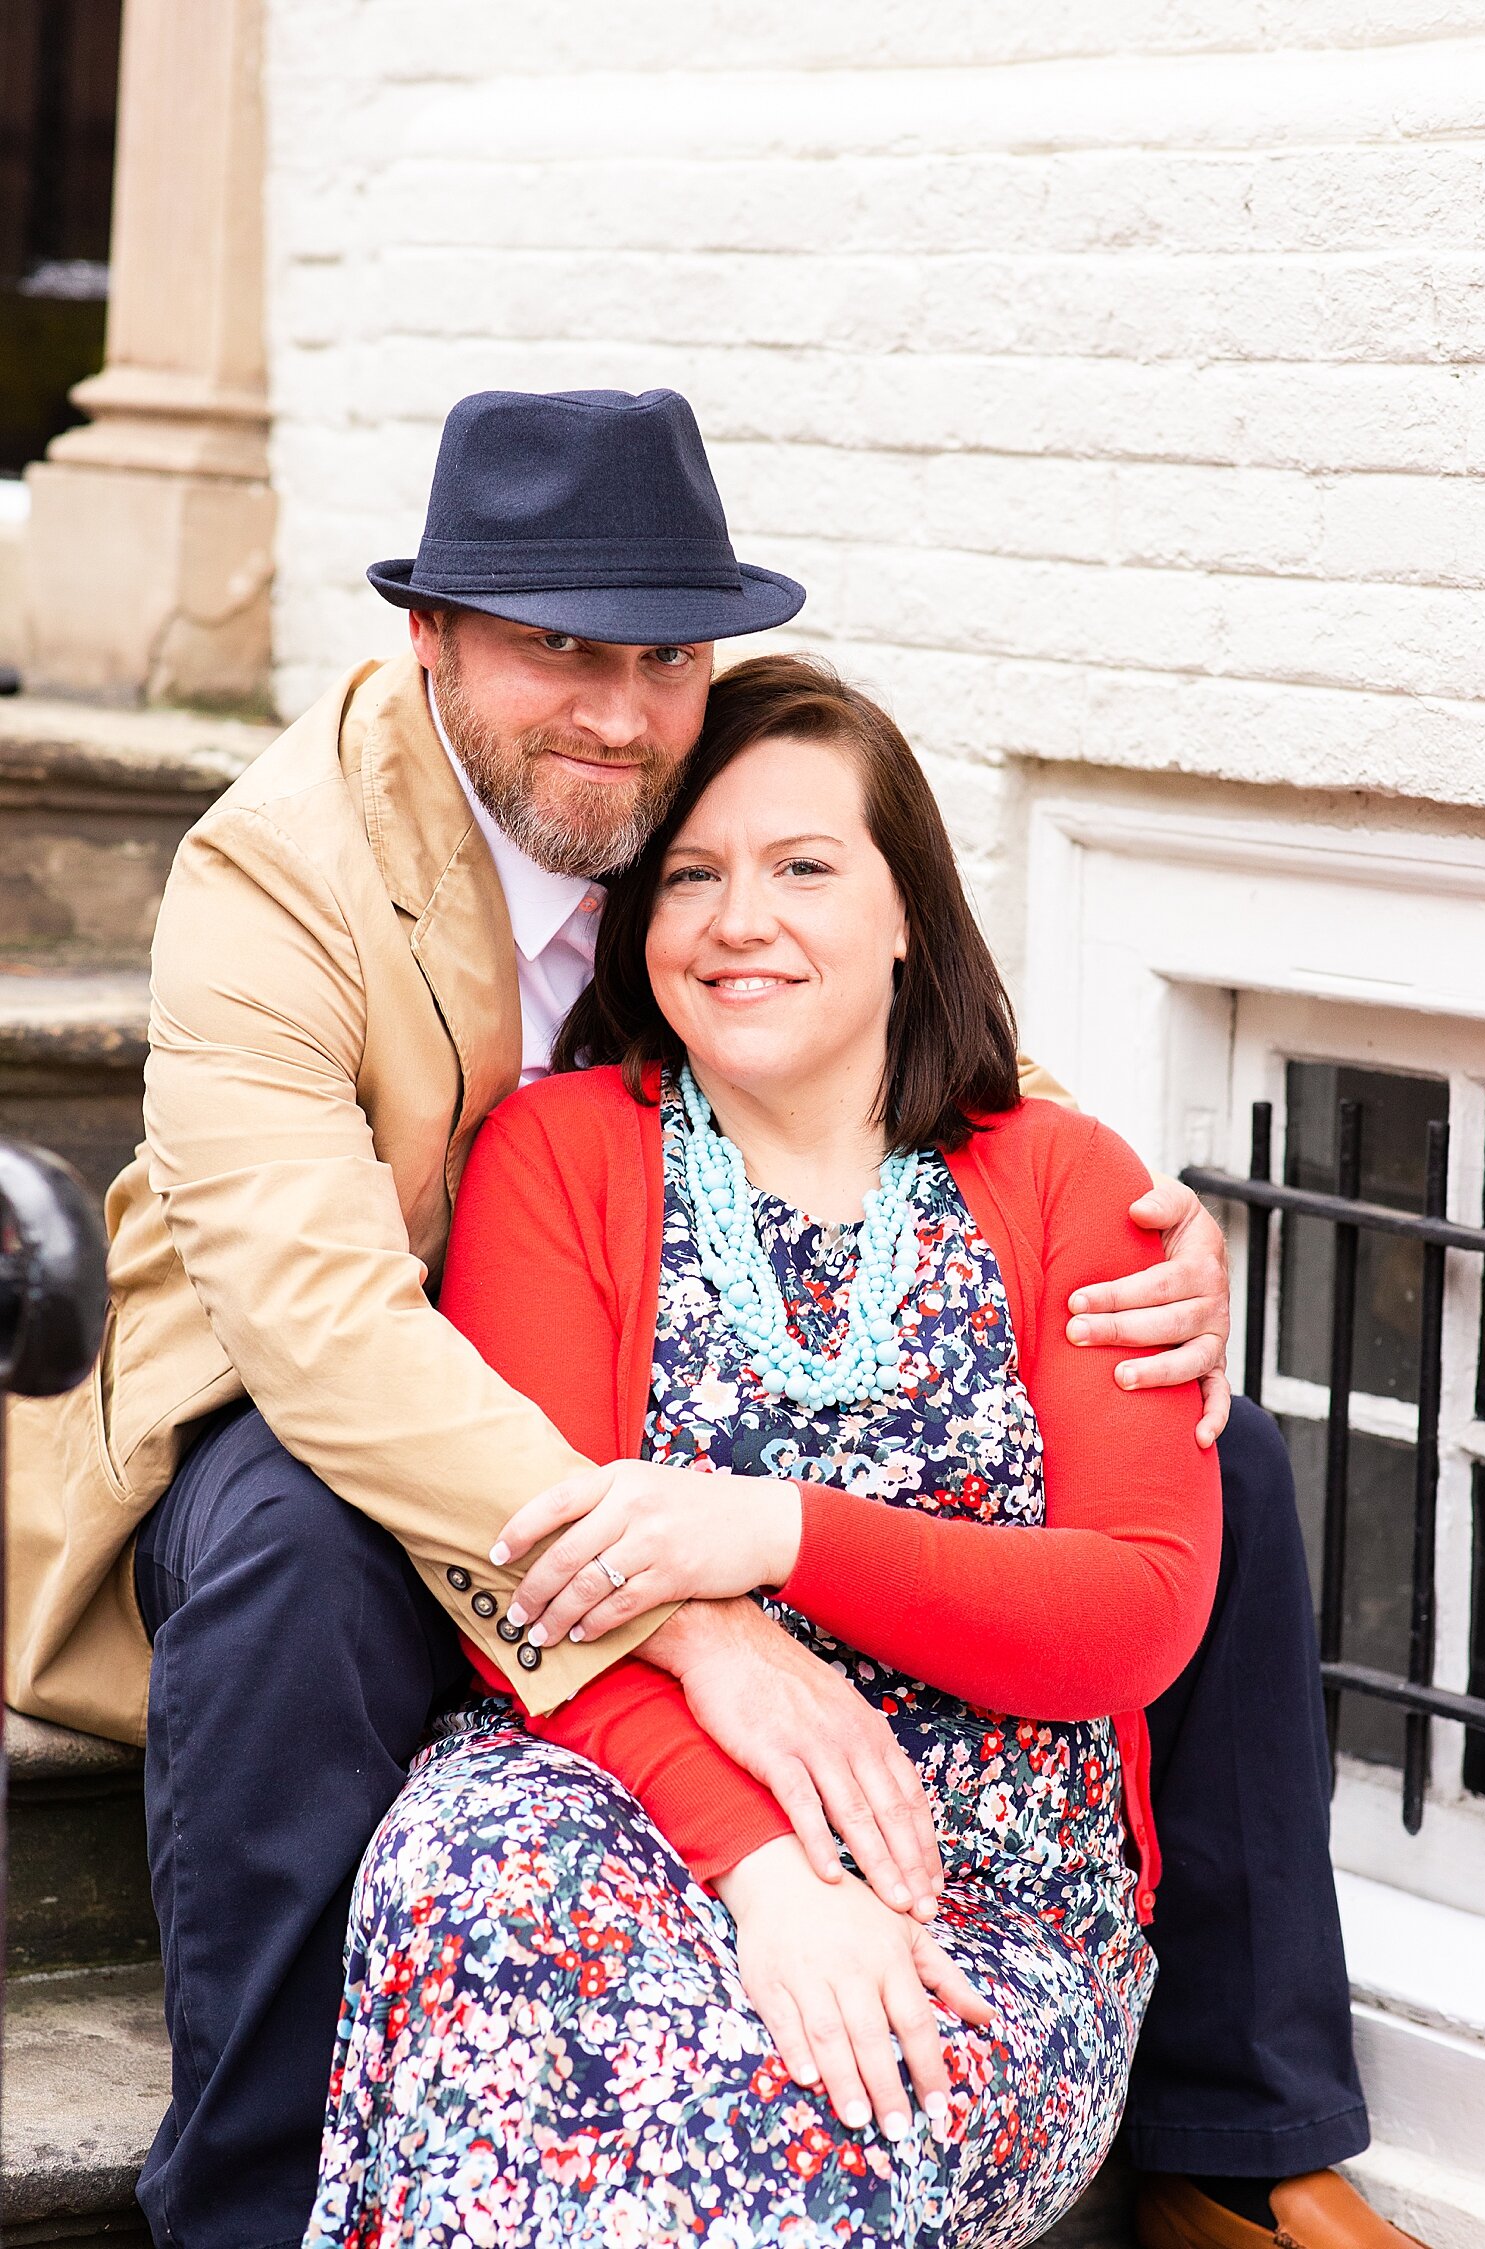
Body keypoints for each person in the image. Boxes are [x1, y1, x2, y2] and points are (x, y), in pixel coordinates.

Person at [1, 388, 1390, 2249]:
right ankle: (248, 2182)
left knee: (1214, 1441)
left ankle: (1247, 2125)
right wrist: (704, 1615)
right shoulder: (282, 872)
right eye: (553, 646)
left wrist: (1135, 1233)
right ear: (429, 641)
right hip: (317, 1374)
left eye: (662, 652)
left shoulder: (684, 789)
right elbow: (328, 1328)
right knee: (306, 1554)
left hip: (664, 1430)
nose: (615, 703)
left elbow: (883, 999)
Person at [304, 653, 1224, 2246]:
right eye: (692, 877)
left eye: (805, 867)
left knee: (788, 2117)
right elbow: (545, 1590)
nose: (740, 919)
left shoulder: (1068, 1181)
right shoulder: (559, 1156)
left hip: (981, 1888)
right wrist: (767, 1875)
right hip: (616, 1792)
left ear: (907, 914)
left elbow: (1134, 1610)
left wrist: (778, 1531)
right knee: (483, 1907)